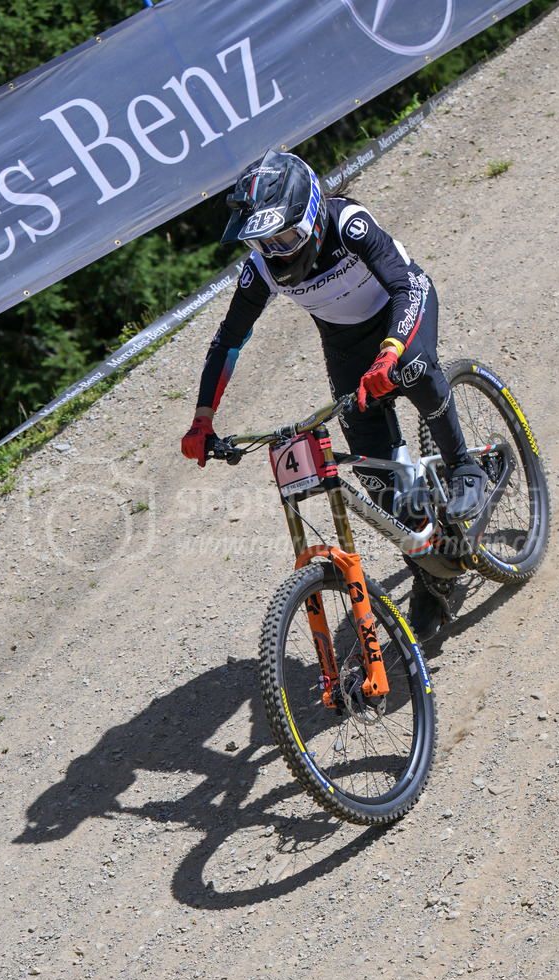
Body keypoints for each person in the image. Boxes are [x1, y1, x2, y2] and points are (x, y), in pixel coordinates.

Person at [181, 149, 486, 641]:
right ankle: (432, 572)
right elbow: (228, 341)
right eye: (263, 241)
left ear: (309, 216)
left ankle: (465, 465)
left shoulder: (349, 225)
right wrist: (202, 419)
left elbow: (405, 286)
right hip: (345, 345)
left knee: (413, 370)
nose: (277, 251)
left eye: (284, 237)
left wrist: (389, 353)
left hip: (400, 311)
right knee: (376, 474)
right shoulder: (262, 268)